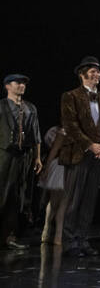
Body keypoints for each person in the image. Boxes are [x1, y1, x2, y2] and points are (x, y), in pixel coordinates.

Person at [59, 57, 100, 257]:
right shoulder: (70, 96)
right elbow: (71, 126)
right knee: (74, 200)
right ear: (82, 74)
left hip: (98, 156)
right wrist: (91, 146)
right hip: (79, 154)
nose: (96, 74)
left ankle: (83, 240)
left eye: (98, 71)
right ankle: (69, 242)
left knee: (90, 201)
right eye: (92, 71)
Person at [0, 74, 42, 250]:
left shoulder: (30, 108)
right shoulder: (1, 106)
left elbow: (36, 135)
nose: (22, 85)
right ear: (7, 86)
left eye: (24, 83)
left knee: (17, 196)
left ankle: (9, 235)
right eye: (18, 83)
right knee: (2, 193)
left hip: (23, 156)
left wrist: (37, 157)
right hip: (3, 155)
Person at [39, 126, 67, 246]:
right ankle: (48, 227)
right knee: (55, 201)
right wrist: (46, 169)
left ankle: (58, 234)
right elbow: (54, 150)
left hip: (72, 167)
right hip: (60, 166)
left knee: (63, 202)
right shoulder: (62, 131)